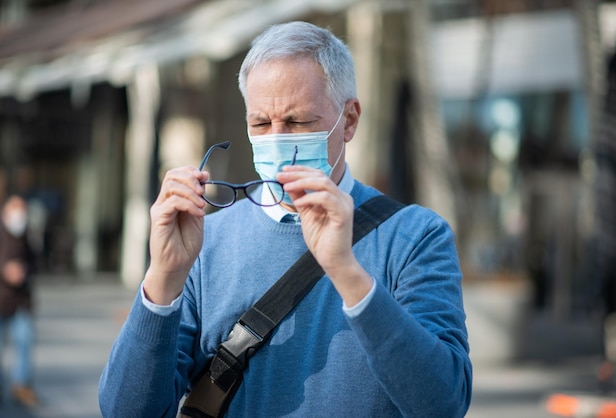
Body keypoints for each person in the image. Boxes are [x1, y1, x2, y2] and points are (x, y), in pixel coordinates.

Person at [99, 21, 472, 417]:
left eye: (298, 122)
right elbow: (127, 410)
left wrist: (346, 271)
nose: (277, 138)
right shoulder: (206, 239)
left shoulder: (416, 236)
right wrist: (162, 278)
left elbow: (443, 402)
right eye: (260, 123)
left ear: (348, 120)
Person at [0, 194, 38, 407]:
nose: (19, 215)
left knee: (24, 341)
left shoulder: (26, 237)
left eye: (22, 210)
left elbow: (36, 264)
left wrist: (24, 272)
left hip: (21, 301)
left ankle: (21, 385)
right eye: (16, 209)